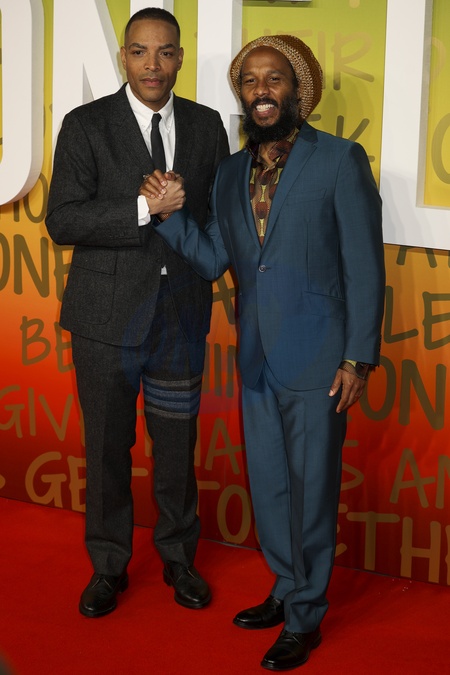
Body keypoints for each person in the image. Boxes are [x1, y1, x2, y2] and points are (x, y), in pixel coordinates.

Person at [144, 35, 385, 670]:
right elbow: (214, 258)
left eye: (273, 78)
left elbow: (365, 266)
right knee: (272, 488)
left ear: (297, 88)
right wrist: (169, 216)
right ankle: (285, 585)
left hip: (321, 359)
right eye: (250, 81)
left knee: (312, 493)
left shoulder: (339, 160)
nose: (261, 90)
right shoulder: (230, 173)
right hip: (256, 357)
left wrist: (358, 358)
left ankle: (307, 615)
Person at [45, 7, 229, 618]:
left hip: (180, 319)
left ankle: (179, 557)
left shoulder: (206, 126)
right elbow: (63, 219)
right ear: (124, 57)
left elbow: (214, 216)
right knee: (106, 448)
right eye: (141, 51)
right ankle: (108, 565)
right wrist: (146, 209)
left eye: (166, 52)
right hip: (105, 321)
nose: (154, 64)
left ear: (180, 58)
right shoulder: (85, 124)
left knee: (176, 447)